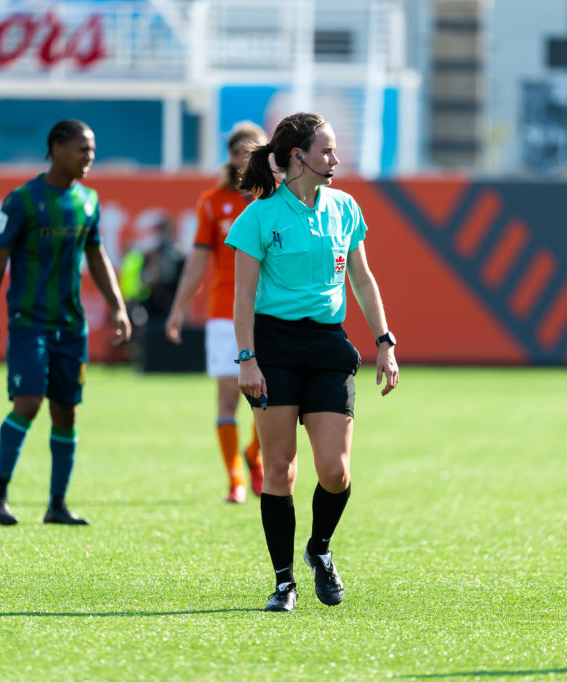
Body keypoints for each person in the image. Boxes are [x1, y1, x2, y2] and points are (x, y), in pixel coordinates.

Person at [224, 112, 399, 612]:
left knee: (335, 472)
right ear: (297, 157)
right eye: (326, 151)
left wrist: (384, 341)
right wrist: (247, 360)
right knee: (279, 471)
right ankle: (283, 583)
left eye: (335, 150)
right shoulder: (257, 217)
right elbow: (243, 297)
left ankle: (318, 550)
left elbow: (363, 281)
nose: (335, 159)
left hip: (328, 349)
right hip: (273, 350)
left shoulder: (346, 207)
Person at [0, 119, 132, 526]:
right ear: (57, 147)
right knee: (28, 404)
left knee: (66, 413)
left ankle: (57, 505)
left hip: (71, 326)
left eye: (93, 150)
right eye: (83, 149)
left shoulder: (89, 201)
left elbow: (96, 256)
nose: (90, 157)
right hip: (29, 323)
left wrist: (117, 305)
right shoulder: (21, 200)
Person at [165, 122, 267, 504]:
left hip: (269, 314)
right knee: (228, 396)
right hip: (225, 313)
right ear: (231, 154)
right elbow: (196, 261)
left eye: (253, 150)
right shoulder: (213, 200)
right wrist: (177, 309)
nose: (245, 156)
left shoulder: (277, 199)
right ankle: (235, 481)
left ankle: (255, 456)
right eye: (239, 149)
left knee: (270, 398)